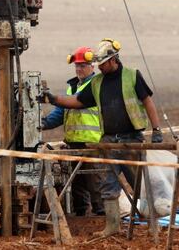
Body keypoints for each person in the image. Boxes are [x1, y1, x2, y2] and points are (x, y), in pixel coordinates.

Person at [39, 38, 163, 237]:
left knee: (139, 182)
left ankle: (153, 225)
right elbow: (78, 101)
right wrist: (53, 99)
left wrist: (157, 130)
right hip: (107, 140)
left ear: (114, 60)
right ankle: (112, 226)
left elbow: (147, 101)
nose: (100, 67)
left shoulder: (132, 76)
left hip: (131, 139)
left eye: (102, 63)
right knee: (107, 182)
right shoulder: (97, 82)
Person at [41, 46, 104, 216]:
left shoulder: (97, 85)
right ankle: (81, 213)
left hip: (92, 143)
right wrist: (41, 124)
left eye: (83, 65)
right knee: (77, 182)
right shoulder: (72, 88)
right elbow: (60, 113)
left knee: (95, 181)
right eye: (77, 66)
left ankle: (102, 214)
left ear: (92, 66)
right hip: (74, 143)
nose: (79, 69)